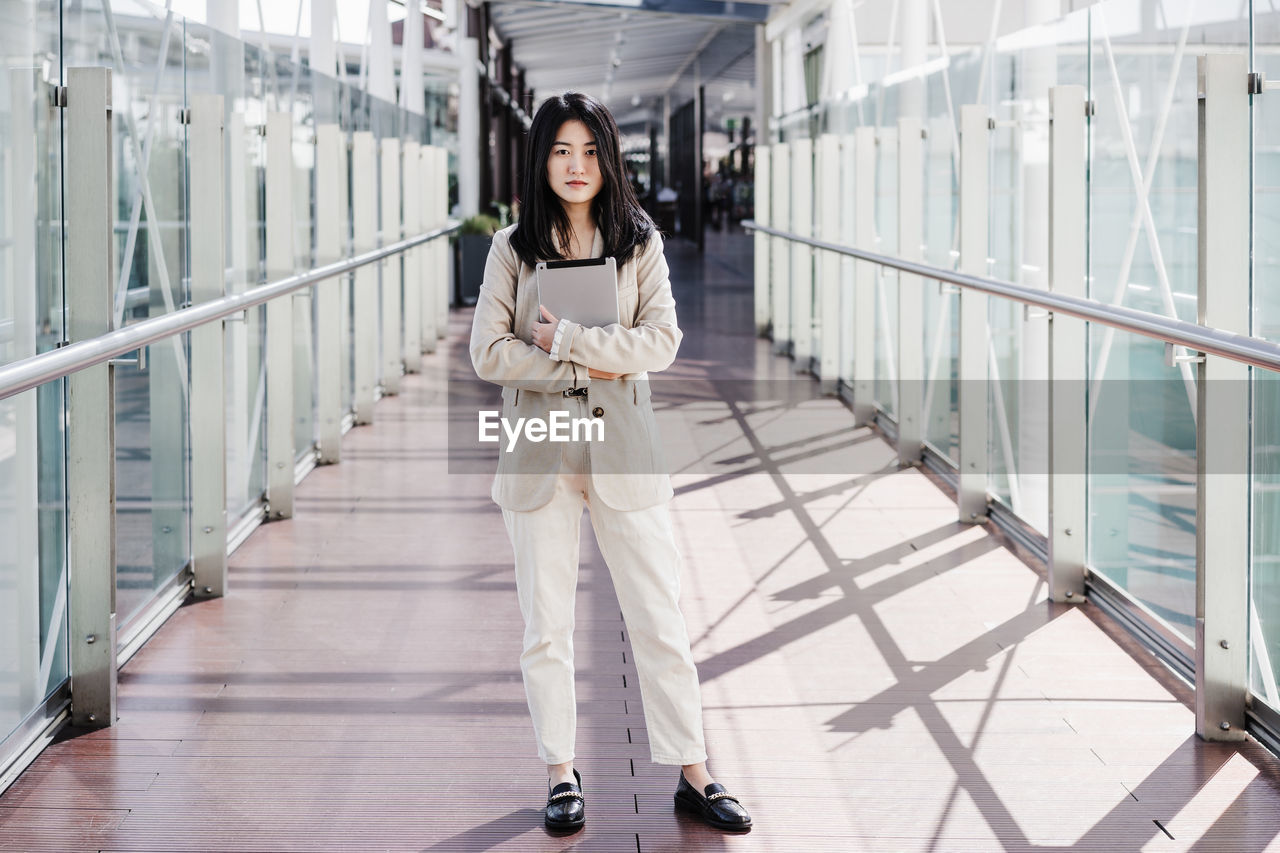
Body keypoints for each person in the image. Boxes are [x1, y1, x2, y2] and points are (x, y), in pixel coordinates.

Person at [469, 91, 753, 835]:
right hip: (541, 458)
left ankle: (694, 770)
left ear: (608, 157)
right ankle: (561, 770)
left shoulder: (638, 242)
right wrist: (589, 364)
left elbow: (660, 342)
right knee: (547, 625)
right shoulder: (512, 246)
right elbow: (485, 352)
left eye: (590, 150)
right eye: (561, 150)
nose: (575, 165)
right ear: (542, 159)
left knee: (659, 614)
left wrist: (565, 343)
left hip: (623, 453)